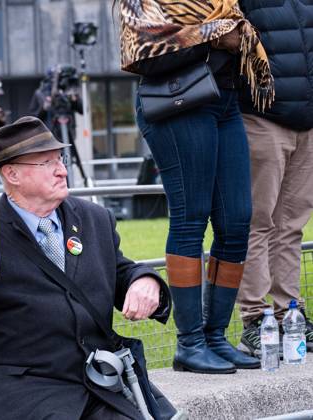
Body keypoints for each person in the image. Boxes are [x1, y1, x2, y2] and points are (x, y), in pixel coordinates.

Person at [0, 116, 171, 419]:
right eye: (46, 162)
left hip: (94, 386)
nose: (62, 170)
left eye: (60, 158)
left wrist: (145, 280)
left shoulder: (94, 219)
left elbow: (119, 271)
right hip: (19, 394)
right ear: (12, 174)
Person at [119, 0, 275, 373]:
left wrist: (235, 37)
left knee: (237, 221)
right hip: (178, 101)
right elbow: (142, 54)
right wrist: (215, 36)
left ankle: (215, 336)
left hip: (223, 100)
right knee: (191, 218)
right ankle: (189, 343)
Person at [235, 0, 313, 356]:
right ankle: (254, 319)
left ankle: (290, 315)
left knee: (292, 225)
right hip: (263, 118)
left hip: (307, 123)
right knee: (259, 221)